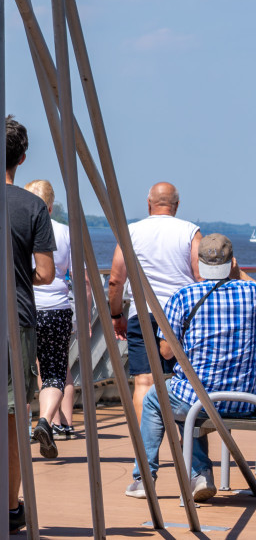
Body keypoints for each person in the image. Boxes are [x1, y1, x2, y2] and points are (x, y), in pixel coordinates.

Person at [125, 234, 256, 501]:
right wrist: (238, 273)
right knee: (190, 399)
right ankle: (199, 475)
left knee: (158, 397)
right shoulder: (253, 294)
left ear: (199, 264)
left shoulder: (184, 296)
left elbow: (166, 352)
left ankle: (145, 479)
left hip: (200, 400)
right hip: (248, 401)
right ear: (233, 263)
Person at [107, 182, 200, 424]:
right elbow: (201, 278)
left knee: (144, 380)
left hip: (143, 312)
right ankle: (185, 442)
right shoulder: (190, 231)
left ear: (149, 204)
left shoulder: (131, 232)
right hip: (182, 315)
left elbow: (116, 280)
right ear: (176, 206)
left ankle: (145, 450)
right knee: (185, 378)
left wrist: (116, 315)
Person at [4, 117, 55, 533]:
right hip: (17, 316)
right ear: (22, 158)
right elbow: (47, 272)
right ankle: (9, 505)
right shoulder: (33, 206)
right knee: (13, 413)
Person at [25, 180, 91, 454]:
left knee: (22, 373)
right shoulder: (65, 233)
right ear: (51, 206)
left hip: (23, 308)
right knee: (54, 373)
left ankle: (23, 426)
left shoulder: (18, 227)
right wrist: (85, 319)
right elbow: (83, 281)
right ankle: (45, 420)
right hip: (57, 310)